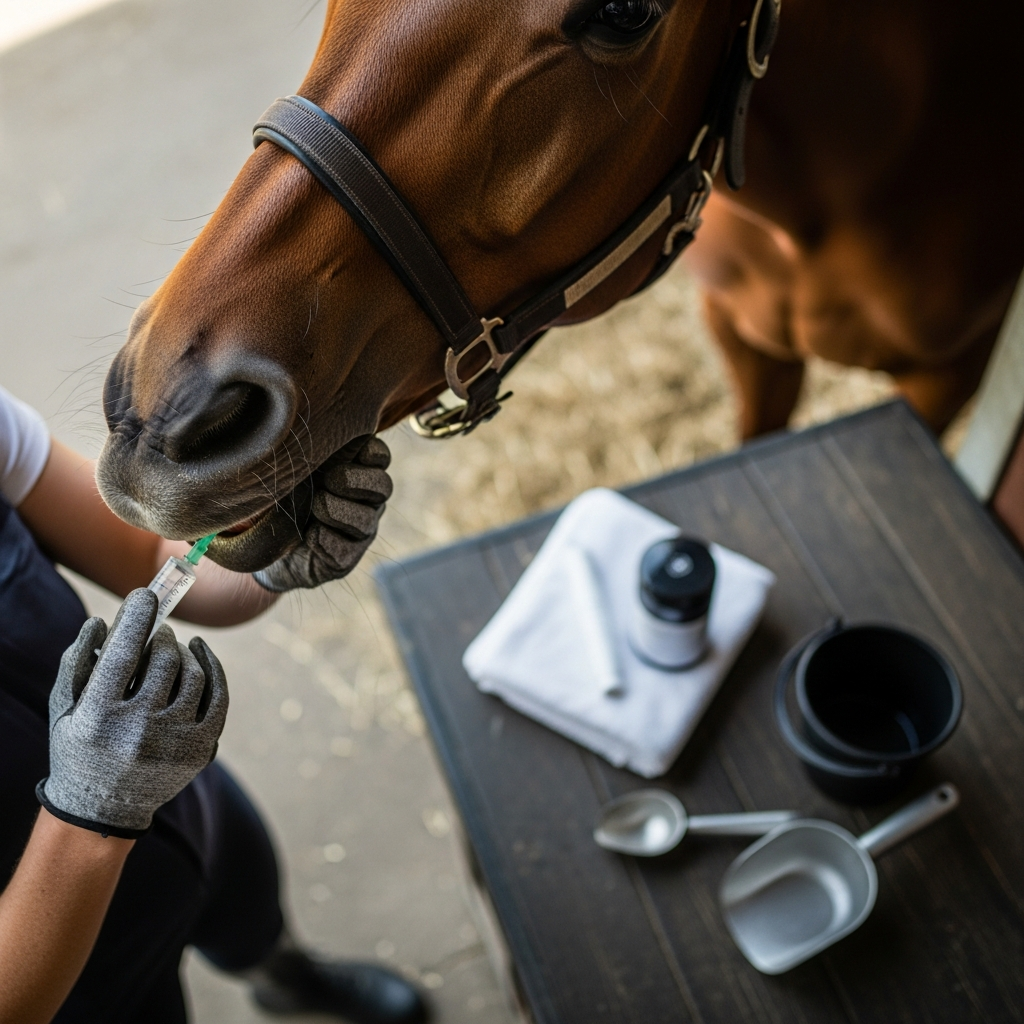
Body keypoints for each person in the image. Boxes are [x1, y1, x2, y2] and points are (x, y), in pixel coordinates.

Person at [0, 383, 425, 1024]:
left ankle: (285, 978)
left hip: (170, 780)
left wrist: (268, 556)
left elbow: (148, 554)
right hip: (77, 979)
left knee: (251, 907)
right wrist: (89, 811)